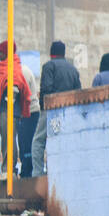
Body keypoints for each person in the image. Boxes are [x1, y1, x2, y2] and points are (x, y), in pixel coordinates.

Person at [32, 41, 82, 176]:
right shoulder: (73, 69)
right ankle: (54, 172)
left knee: (38, 141)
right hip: (68, 113)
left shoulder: (49, 66)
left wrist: (43, 108)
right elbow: (79, 92)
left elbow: (46, 89)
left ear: (51, 53)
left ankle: (37, 174)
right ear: (64, 53)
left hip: (50, 111)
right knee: (58, 141)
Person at [0, 41, 30, 180]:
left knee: (8, 139)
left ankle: (8, 170)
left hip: (8, 109)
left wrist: (12, 95)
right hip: (4, 109)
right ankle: (9, 169)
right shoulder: (5, 66)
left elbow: (16, 83)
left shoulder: (12, 66)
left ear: (5, 53)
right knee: (7, 139)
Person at [18, 59, 40, 177]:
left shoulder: (23, 72)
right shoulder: (19, 71)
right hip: (25, 113)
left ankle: (28, 173)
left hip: (29, 112)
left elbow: (24, 95)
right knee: (24, 143)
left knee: (27, 144)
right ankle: (26, 171)